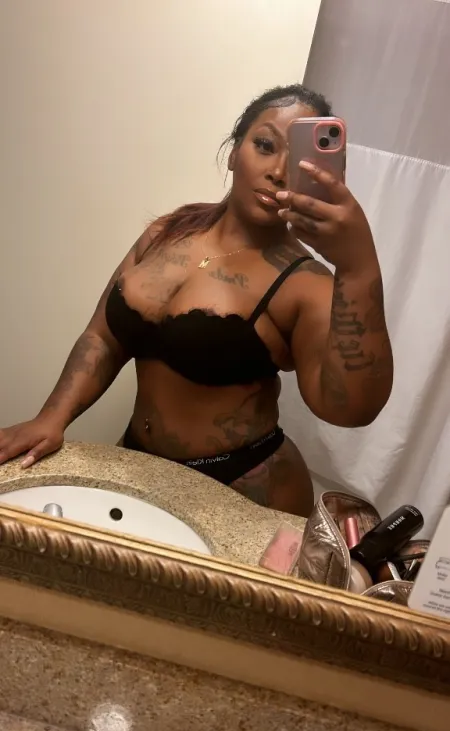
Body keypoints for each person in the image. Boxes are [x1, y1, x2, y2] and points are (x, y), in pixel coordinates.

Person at [0, 85, 393, 517]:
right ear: (233, 151)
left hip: (242, 491)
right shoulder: (168, 231)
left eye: (298, 161)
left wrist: (358, 267)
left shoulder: (304, 282)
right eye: (265, 146)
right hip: (136, 463)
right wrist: (51, 419)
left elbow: (350, 409)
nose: (279, 172)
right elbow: (103, 337)